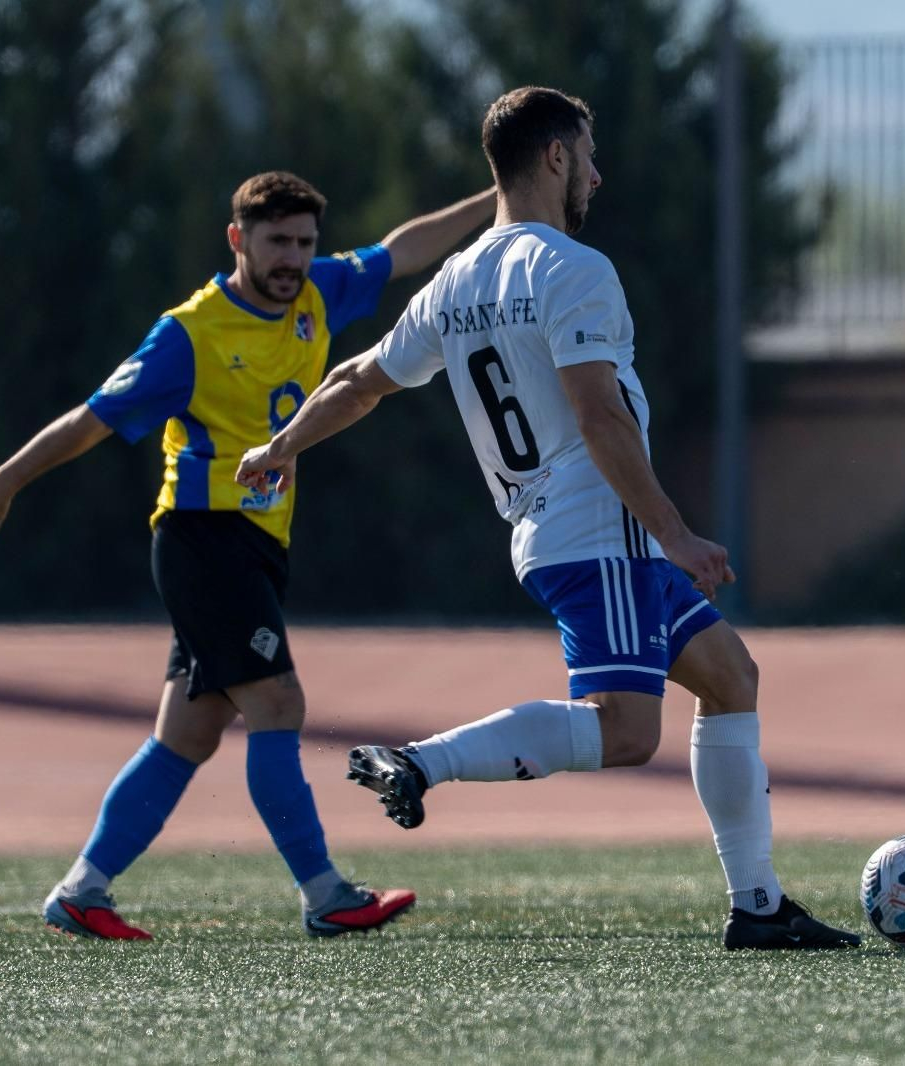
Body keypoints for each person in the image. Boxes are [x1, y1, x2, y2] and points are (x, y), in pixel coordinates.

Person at [236, 89, 861, 950]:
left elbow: (359, 381)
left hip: (553, 530)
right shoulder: (573, 269)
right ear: (555, 157)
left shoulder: (454, 282)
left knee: (730, 676)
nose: (596, 176)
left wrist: (282, 445)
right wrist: (675, 534)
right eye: (588, 156)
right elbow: (600, 415)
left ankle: (758, 905)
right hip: (602, 528)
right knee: (625, 732)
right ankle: (421, 762)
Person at [0, 171, 495, 940]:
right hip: (204, 540)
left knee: (190, 733)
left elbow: (402, 250)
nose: (293, 258)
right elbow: (91, 419)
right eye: (277, 242)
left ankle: (82, 890)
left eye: (304, 242)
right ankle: (326, 895)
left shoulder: (318, 292)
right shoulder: (189, 333)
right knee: (279, 705)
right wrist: (2, 482)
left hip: (255, 545)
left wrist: (495, 201)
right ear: (237, 239)